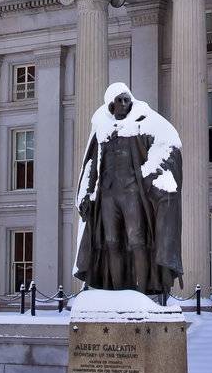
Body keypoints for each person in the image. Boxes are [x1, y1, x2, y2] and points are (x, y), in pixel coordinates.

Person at [73, 82, 184, 296]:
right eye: (120, 101)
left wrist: (155, 172)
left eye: (127, 100)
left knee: (137, 240)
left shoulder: (142, 124)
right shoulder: (101, 131)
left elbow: (169, 142)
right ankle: (115, 293)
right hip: (107, 195)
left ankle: (141, 294)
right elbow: (91, 165)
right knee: (111, 242)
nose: (124, 104)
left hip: (132, 192)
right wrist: (86, 193)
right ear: (111, 105)